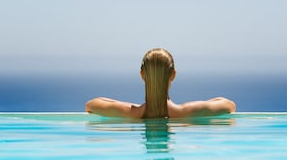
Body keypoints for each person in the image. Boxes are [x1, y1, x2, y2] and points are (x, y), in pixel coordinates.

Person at [85, 48, 236, 118]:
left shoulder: (130, 113)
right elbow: (229, 105)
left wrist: (123, 105)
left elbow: (91, 105)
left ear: (142, 75)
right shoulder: (188, 112)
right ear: (173, 75)